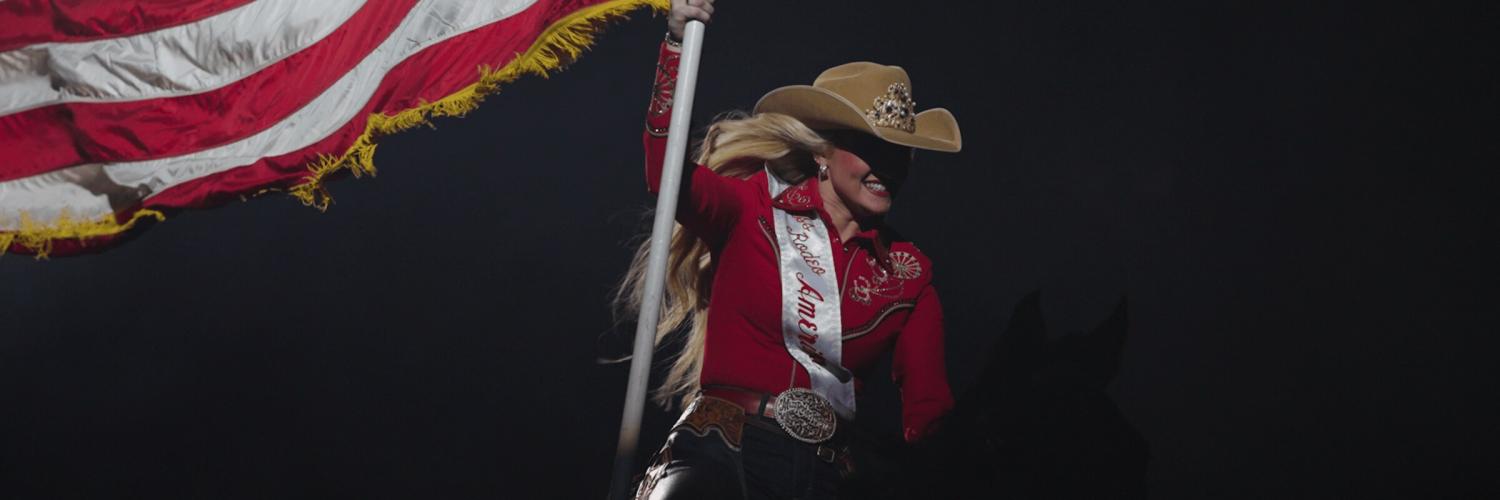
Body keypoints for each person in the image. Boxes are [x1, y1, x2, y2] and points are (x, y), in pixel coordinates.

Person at [621, 0, 962, 497]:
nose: (888, 166)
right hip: (721, 454)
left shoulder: (910, 275)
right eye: (871, 146)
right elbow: (664, 174)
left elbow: (929, 415)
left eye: (901, 152)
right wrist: (675, 43)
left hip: (829, 476)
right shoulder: (752, 205)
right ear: (822, 151)